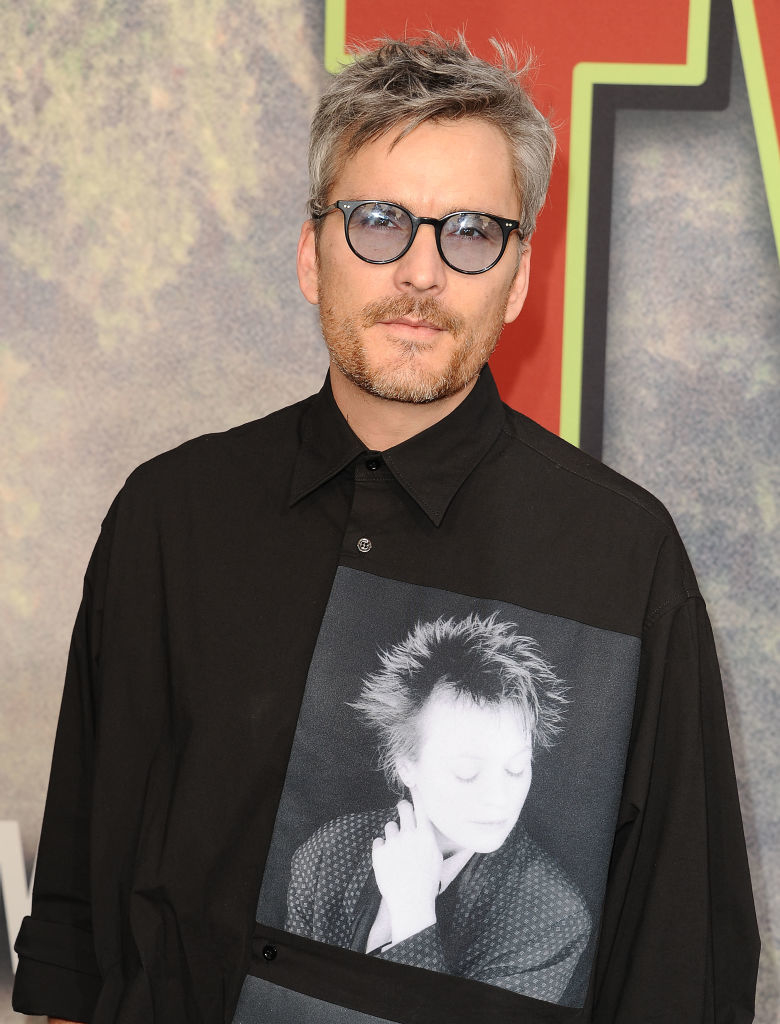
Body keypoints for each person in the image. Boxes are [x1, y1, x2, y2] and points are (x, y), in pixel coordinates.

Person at [13, 32, 758, 1024]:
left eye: (470, 233)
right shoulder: (169, 517)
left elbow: (683, 959)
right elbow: (75, 916)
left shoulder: (623, 560)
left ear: (519, 278)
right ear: (311, 254)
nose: (420, 271)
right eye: (378, 221)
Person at [281, 614, 592, 1006]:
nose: (500, 798)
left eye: (516, 768)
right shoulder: (329, 852)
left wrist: (414, 911)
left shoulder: (551, 915)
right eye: (467, 771)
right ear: (405, 763)